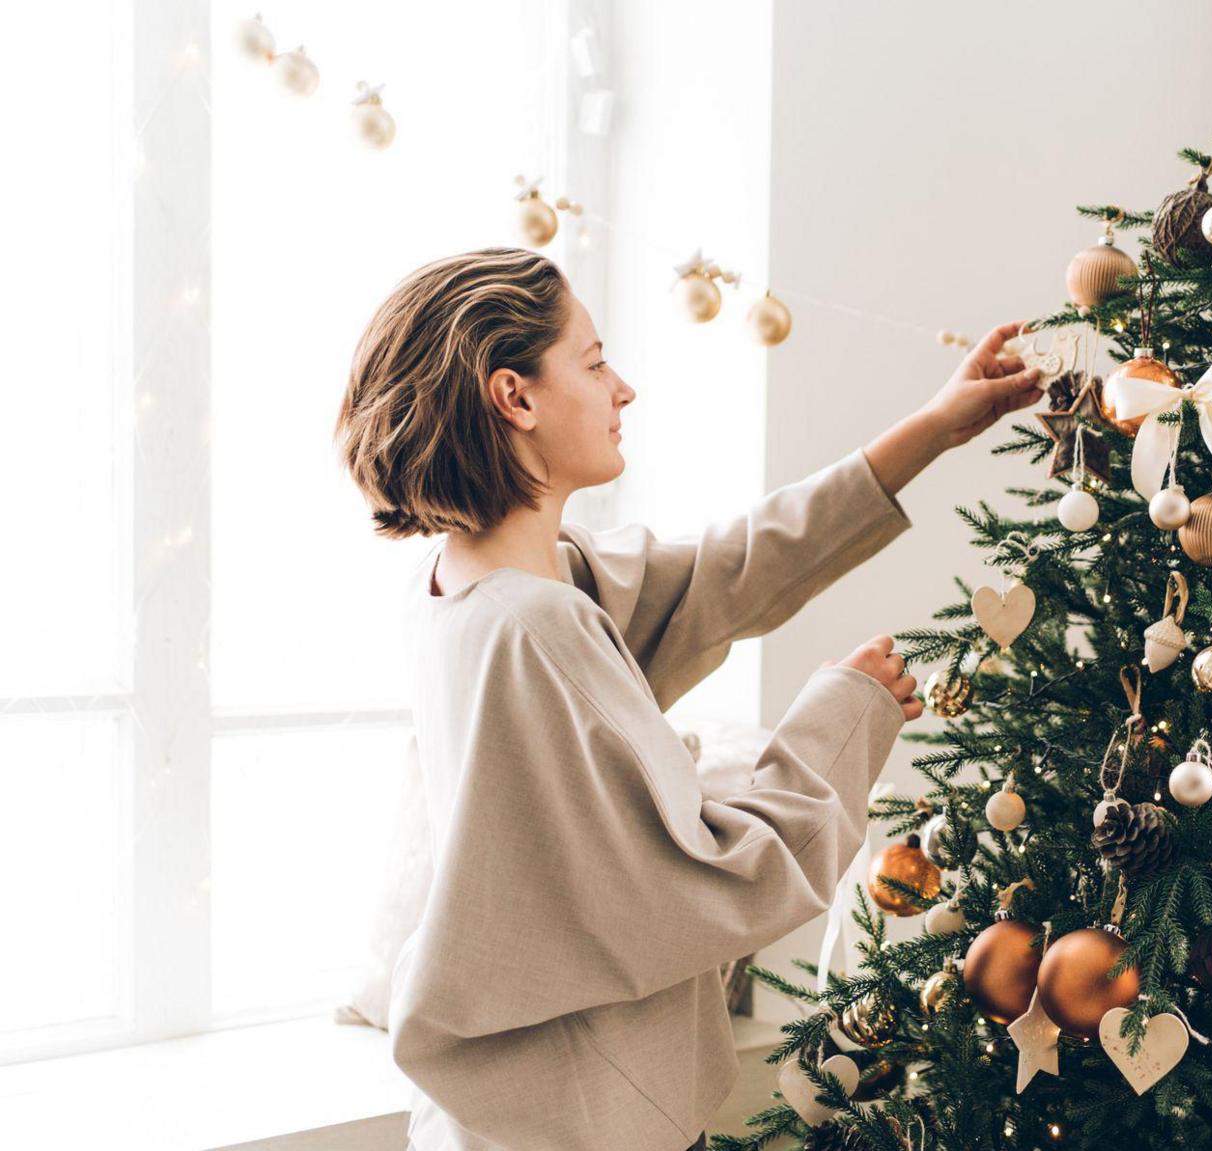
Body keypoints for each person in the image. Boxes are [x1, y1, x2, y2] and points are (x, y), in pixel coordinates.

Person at [333, 247, 1043, 1150]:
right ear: (514, 397)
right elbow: (708, 881)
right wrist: (850, 706)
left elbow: (724, 570)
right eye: (592, 363)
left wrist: (935, 428)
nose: (622, 387)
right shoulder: (535, 627)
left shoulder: (477, 585)